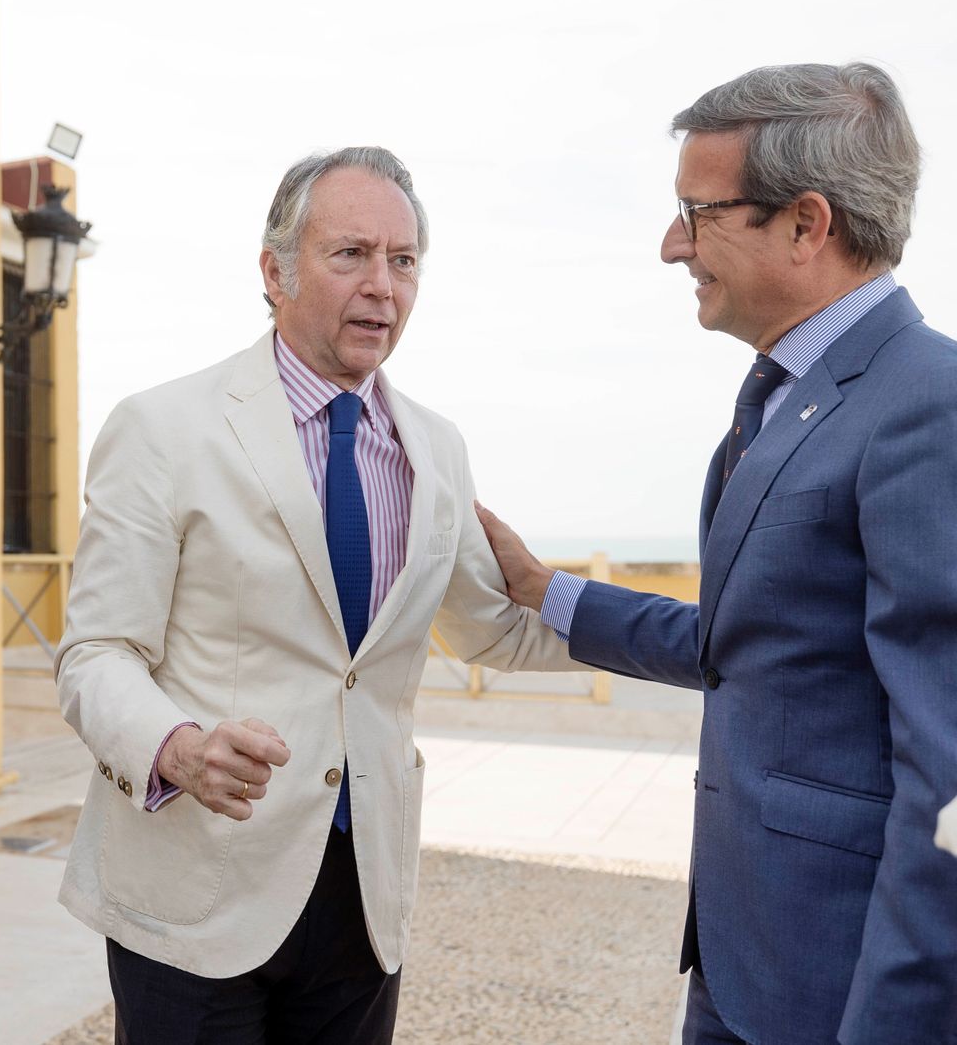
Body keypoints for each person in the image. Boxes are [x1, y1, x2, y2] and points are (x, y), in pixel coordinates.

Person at [475, 63, 957, 1044]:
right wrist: (541, 589)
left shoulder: (927, 407)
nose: (669, 246)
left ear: (805, 223)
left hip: (835, 989)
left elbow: (943, 785)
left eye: (695, 212)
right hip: (740, 960)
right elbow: (750, 643)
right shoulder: (787, 393)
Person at [55, 146, 578, 1043]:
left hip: (364, 895)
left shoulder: (436, 448)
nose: (383, 286)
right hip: (198, 892)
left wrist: (710, 628)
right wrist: (176, 747)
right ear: (276, 271)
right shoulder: (163, 428)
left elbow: (494, 629)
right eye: (351, 255)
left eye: (403, 260)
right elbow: (97, 653)